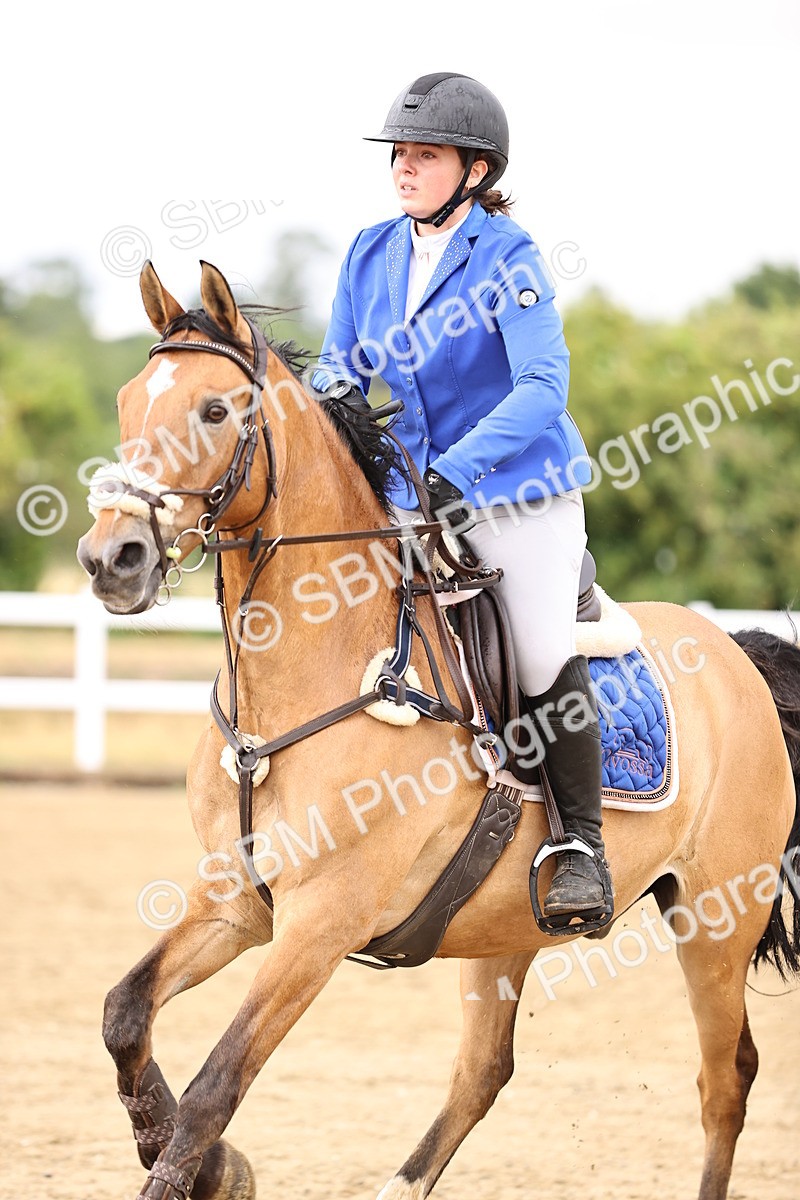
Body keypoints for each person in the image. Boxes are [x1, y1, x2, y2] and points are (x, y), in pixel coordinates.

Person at [312, 71, 610, 919]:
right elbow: (343, 362)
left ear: (475, 171)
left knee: (541, 649)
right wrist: (328, 403)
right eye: (399, 156)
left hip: (518, 492)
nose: (404, 169)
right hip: (414, 492)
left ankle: (582, 845)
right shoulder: (371, 251)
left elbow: (543, 386)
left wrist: (460, 471)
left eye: (425, 156)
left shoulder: (509, 257)